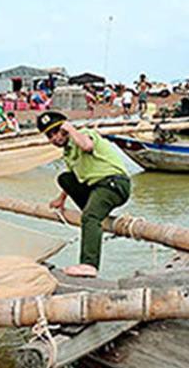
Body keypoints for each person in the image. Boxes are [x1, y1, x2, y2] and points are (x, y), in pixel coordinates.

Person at [37, 111, 130, 278]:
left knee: (89, 217)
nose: (55, 138)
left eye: (57, 131)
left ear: (64, 128)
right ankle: (96, 212)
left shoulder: (84, 135)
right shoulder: (67, 153)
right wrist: (61, 199)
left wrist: (71, 129)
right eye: (49, 136)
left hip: (113, 184)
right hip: (96, 188)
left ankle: (89, 265)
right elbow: (75, 176)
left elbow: (87, 146)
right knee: (65, 178)